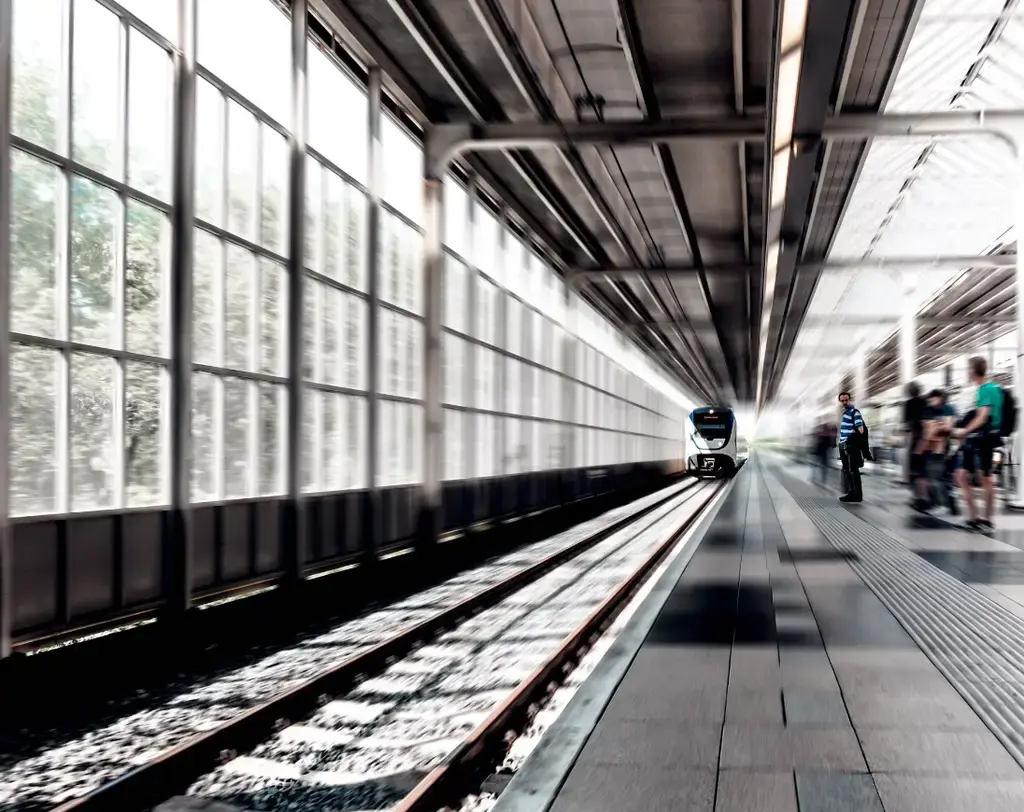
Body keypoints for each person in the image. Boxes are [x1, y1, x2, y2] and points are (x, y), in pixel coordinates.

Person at [953, 356, 1002, 531]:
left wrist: (964, 431)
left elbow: (982, 417)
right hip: (983, 438)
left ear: (974, 370)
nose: (967, 372)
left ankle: (982, 519)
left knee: (983, 479)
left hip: (982, 438)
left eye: (969, 368)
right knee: (974, 477)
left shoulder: (985, 389)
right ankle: (979, 518)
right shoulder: (992, 388)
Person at [914, 389, 958, 515]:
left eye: (933, 398)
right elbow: (931, 431)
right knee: (937, 477)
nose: (931, 401)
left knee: (936, 477)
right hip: (933, 448)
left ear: (940, 398)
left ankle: (940, 503)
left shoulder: (948, 409)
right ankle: (948, 504)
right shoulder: (929, 410)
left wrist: (920, 448)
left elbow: (946, 430)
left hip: (942, 449)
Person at [838, 391, 866, 503]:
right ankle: (851, 493)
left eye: (846, 400)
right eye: (842, 400)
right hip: (843, 445)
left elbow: (860, 430)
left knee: (853, 470)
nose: (844, 402)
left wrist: (850, 440)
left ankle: (857, 495)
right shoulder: (845, 414)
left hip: (850, 446)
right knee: (847, 470)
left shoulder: (855, 412)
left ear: (850, 400)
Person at [902, 382, 925, 489]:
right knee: (923, 467)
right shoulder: (925, 401)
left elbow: (906, 426)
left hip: (915, 437)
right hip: (926, 437)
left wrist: (906, 432)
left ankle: (916, 491)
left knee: (913, 466)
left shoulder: (908, 404)